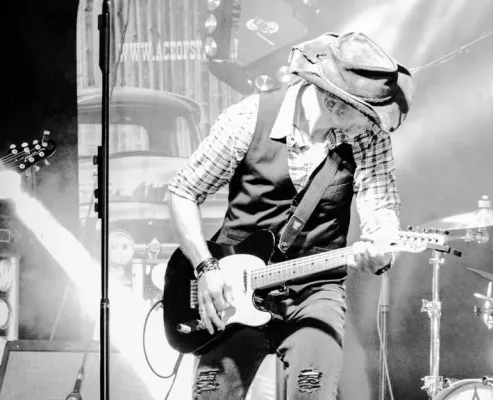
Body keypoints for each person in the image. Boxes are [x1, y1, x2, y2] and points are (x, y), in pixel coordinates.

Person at [167, 31, 415, 400]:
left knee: (313, 390)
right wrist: (206, 267)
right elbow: (183, 191)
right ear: (335, 104)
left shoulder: (368, 139)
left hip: (315, 290)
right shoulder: (247, 119)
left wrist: (382, 249)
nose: (375, 126)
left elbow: (380, 207)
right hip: (233, 286)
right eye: (369, 116)